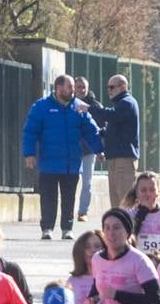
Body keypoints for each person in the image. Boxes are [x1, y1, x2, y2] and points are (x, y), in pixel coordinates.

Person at [24, 74, 104, 240]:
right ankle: (47, 228)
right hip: (48, 163)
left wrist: (99, 149)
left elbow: (91, 130)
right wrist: (29, 154)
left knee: (69, 197)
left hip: (71, 163)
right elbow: (30, 131)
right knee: (48, 197)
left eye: (73, 88)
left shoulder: (79, 107)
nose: (73, 91)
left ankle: (67, 228)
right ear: (58, 88)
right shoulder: (41, 106)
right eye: (70, 87)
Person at [84, 73, 140, 210]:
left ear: (123, 87)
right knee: (116, 204)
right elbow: (111, 128)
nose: (109, 90)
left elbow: (112, 115)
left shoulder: (127, 103)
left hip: (124, 160)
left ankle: (130, 230)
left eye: (112, 87)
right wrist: (96, 132)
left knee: (126, 203)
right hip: (115, 159)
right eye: (108, 87)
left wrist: (90, 108)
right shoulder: (120, 105)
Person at [126, 172, 160, 262]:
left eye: (152, 190)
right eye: (143, 190)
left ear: (158, 191)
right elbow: (128, 238)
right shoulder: (128, 214)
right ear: (136, 193)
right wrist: (143, 212)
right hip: (139, 264)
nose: (148, 194)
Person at [73, 76, 100, 223]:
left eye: (84, 87)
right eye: (78, 87)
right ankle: (68, 210)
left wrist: (99, 148)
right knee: (71, 180)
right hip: (73, 150)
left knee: (87, 182)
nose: (81, 90)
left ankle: (83, 212)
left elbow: (101, 129)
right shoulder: (69, 105)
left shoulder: (95, 106)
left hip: (89, 151)